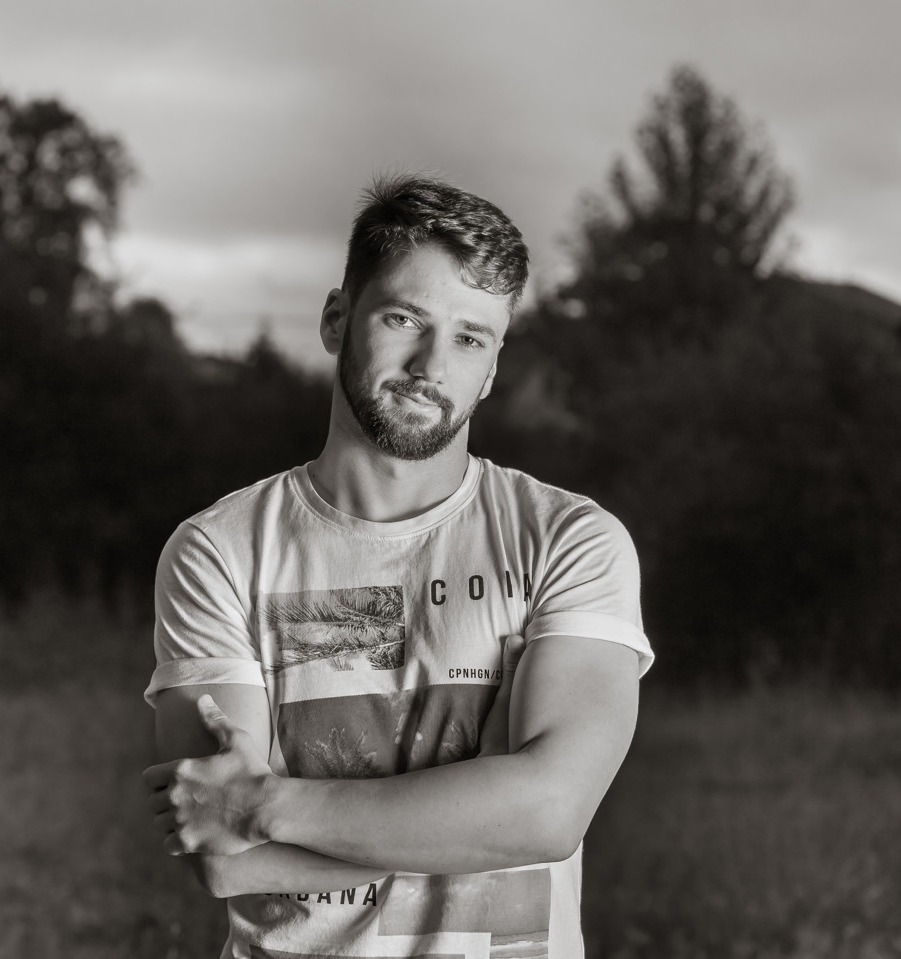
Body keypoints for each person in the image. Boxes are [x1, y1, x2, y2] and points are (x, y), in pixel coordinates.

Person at [143, 174, 653, 959]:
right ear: (337, 318)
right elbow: (220, 859)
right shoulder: (219, 550)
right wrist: (484, 807)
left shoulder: (569, 541)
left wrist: (262, 804)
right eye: (404, 318)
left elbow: (550, 813)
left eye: (470, 338)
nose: (431, 364)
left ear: (491, 367)